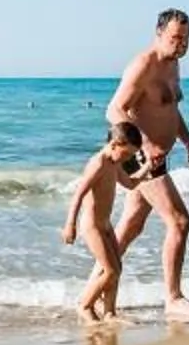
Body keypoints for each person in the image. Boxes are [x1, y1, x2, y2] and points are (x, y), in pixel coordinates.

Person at [107, 9, 189, 319]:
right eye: (176, 38)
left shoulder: (174, 65)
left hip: (159, 156)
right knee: (179, 222)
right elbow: (114, 110)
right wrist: (146, 147)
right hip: (140, 158)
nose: (181, 45)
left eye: (186, 39)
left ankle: (93, 293)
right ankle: (173, 299)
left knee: (129, 229)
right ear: (158, 34)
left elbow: (170, 111)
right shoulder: (143, 65)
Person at [61, 122, 149, 324]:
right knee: (110, 271)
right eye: (126, 154)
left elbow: (129, 184)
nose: (127, 159)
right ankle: (85, 305)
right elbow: (78, 194)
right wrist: (70, 224)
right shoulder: (99, 163)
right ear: (116, 144)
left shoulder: (114, 163)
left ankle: (109, 312)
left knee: (117, 268)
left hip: (105, 225)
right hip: (92, 226)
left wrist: (148, 167)